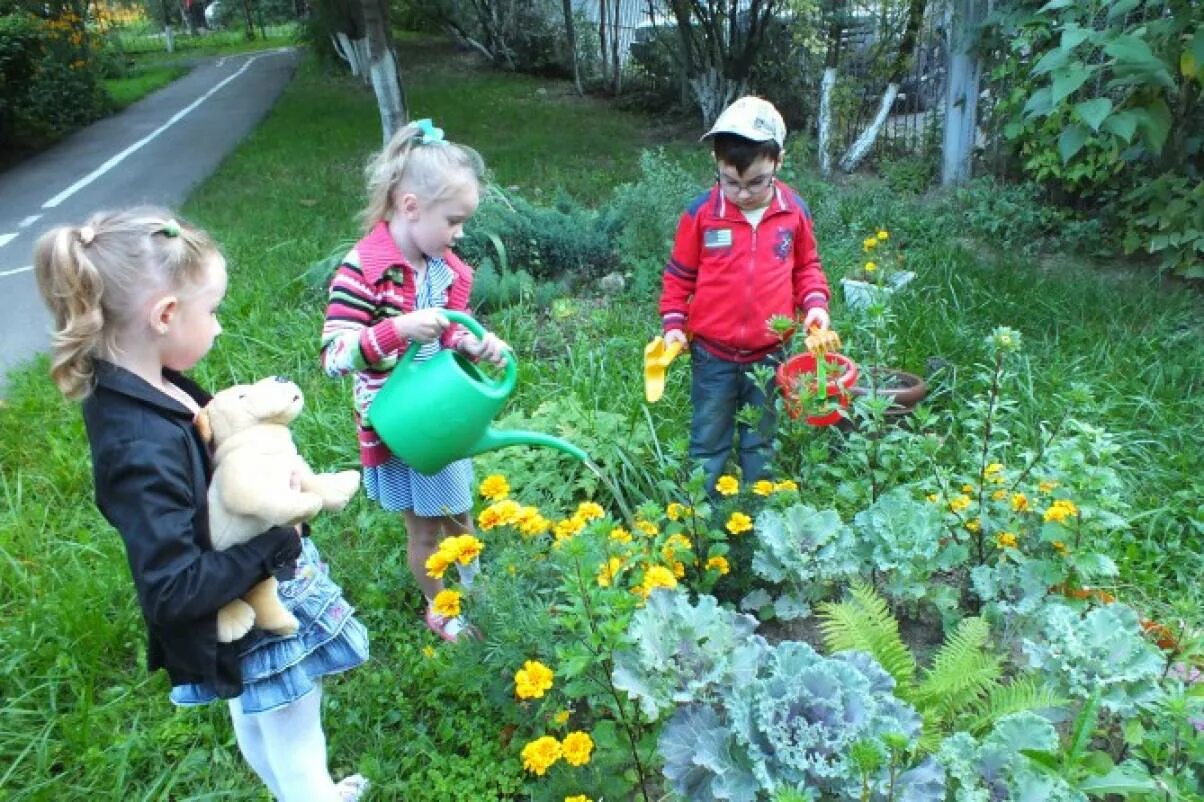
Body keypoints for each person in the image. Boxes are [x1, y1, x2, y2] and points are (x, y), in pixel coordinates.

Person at [34, 208, 370, 802]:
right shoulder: (138, 442)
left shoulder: (152, 384)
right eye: (210, 311)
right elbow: (170, 587)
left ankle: (300, 792)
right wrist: (277, 543)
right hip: (246, 609)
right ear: (165, 316)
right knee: (297, 745)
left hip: (239, 603)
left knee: (262, 722)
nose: (217, 328)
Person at [320, 119, 507, 643]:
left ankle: (475, 587)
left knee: (459, 513)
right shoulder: (362, 272)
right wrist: (395, 331)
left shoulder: (441, 269)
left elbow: (448, 334)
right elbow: (334, 354)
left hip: (441, 411)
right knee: (425, 526)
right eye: (454, 220)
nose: (460, 233)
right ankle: (440, 605)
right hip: (403, 427)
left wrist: (472, 342)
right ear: (409, 207)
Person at [659, 96, 833, 494]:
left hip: (771, 355)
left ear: (778, 163)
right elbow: (678, 278)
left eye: (756, 182)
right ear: (717, 167)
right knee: (708, 442)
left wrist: (816, 305)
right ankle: (702, 523)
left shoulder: (793, 213)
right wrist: (673, 325)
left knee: (760, 441)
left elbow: (807, 268)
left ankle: (758, 521)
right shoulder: (701, 214)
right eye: (730, 181)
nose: (742, 193)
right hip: (712, 355)